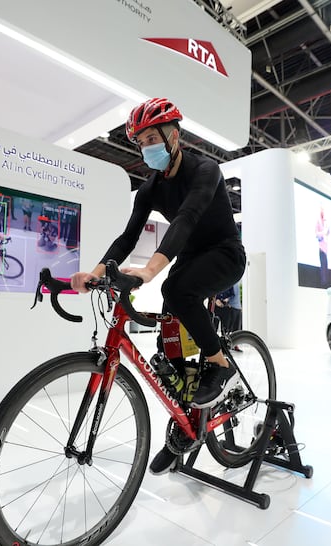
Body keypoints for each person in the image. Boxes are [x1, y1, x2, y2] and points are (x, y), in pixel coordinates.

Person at [70, 98, 246, 473]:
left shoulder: (205, 170)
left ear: (174, 136)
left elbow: (186, 218)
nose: (146, 146)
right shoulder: (150, 189)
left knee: (176, 291)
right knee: (171, 346)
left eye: (152, 137)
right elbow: (127, 237)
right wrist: (97, 273)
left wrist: (150, 271)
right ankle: (185, 428)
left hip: (225, 253)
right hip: (191, 258)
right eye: (140, 140)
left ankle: (220, 363)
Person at [315, 207, 330, 287]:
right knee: (323, 264)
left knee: (326, 264)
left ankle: (326, 282)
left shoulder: (326, 222)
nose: (322, 212)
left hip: (326, 246)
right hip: (321, 246)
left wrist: (325, 233)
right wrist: (322, 234)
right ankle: (323, 282)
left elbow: (328, 231)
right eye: (321, 211)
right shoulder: (318, 221)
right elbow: (316, 233)